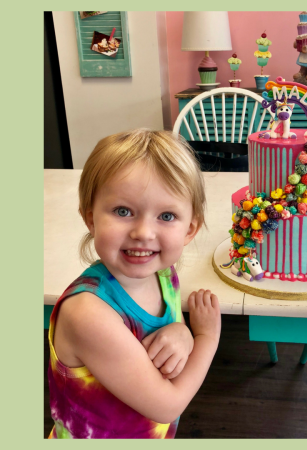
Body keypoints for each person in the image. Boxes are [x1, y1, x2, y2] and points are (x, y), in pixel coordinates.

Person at [47, 129, 221, 439]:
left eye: (166, 215)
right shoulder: (88, 314)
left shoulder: (164, 274)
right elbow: (168, 405)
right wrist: (206, 336)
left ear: (189, 229)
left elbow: (165, 344)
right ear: (91, 219)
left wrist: (182, 333)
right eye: (123, 211)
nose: (143, 232)